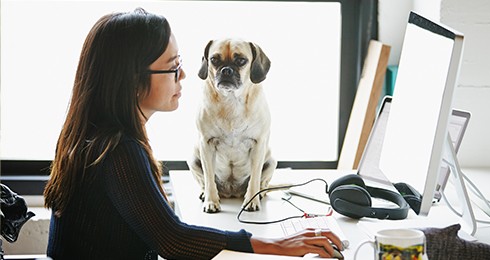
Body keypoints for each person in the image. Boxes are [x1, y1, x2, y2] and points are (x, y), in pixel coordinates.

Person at [43, 8, 343, 260]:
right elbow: (173, 240)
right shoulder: (119, 151)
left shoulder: (93, 135)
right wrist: (275, 244)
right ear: (133, 79)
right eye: (173, 67)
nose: (184, 75)